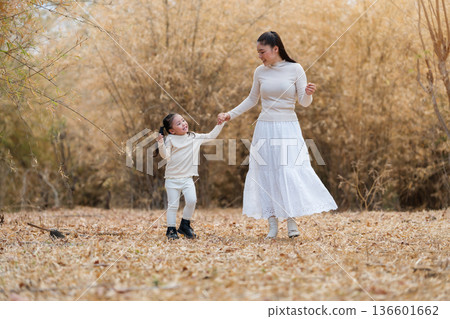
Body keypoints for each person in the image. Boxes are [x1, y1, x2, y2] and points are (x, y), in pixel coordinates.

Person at [217, 31, 338, 239]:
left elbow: (304, 102)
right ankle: (272, 224)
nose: (260, 56)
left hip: (288, 127)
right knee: (265, 172)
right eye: (258, 52)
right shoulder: (260, 72)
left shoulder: (295, 69)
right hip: (265, 127)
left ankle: (292, 222)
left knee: (287, 170)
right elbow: (252, 99)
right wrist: (230, 114)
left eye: (262, 52)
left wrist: (308, 94)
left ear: (276, 49)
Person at [156, 113, 225, 240]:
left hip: (187, 178)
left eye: (183, 120)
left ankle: (185, 225)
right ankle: (171, 230)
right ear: (172, 130)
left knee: (192, 200)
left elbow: (211, 136)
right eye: (179, 123)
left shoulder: (194, 137)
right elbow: (165, 155)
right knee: (173, 205)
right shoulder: (170, 139)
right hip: (172, 179)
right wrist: (160, 143)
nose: (183, 123)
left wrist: (220, 124)